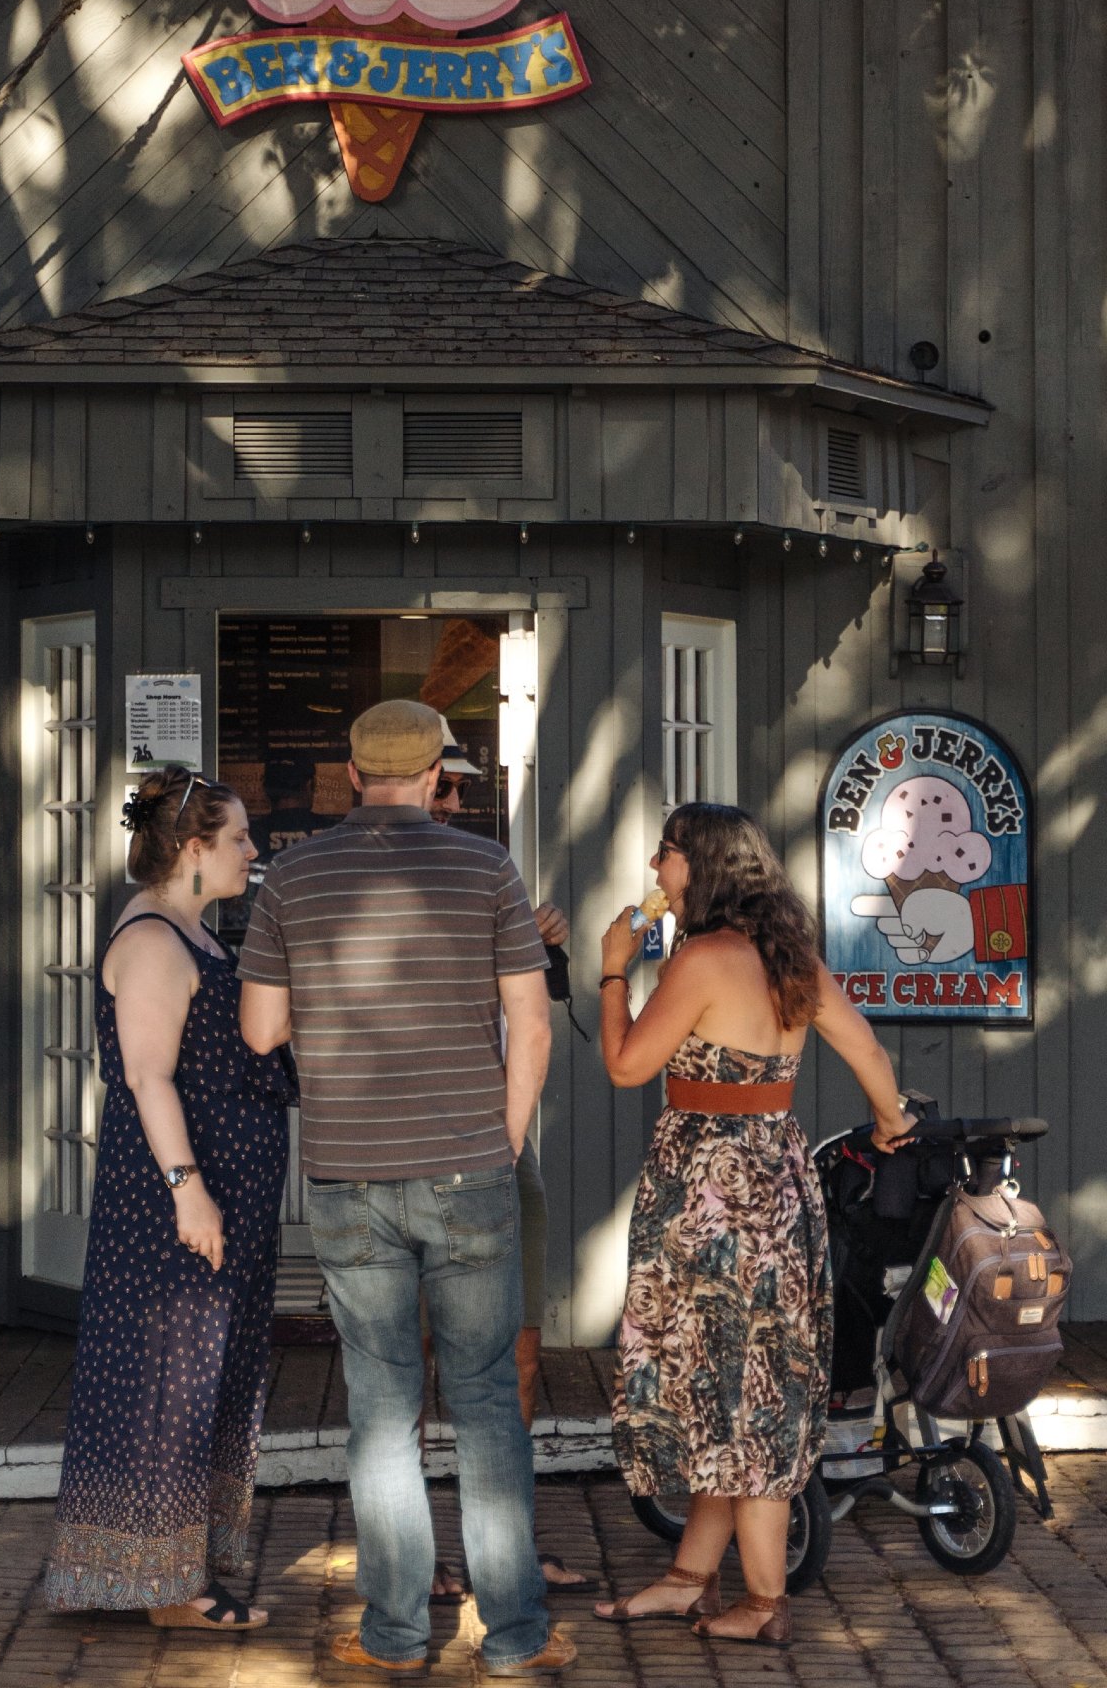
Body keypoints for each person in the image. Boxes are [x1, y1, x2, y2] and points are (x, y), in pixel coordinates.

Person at [239, 701, 576, 1678]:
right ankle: (512, 1636)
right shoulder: (487, 869)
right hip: (472, 1166)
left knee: (382, 1409)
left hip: (348, 1173)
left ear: (351, 772)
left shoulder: (293, 874)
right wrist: (500, 1143)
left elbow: (261, 1031)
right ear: (437, 777)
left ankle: (394, 1633)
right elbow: (535, 1026)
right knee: (483, 1404)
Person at [592, 802, 916, 1650]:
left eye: (666, 855)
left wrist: (613, 970)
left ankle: (767, 1602)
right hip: (777, 1183)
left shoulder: (700, 959)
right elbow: (870, 1055)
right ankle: (688, 1578)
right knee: (735, 1381)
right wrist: (889, 1127)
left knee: (739, 1392)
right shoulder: (789, 958)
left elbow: (627, 1066)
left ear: (699, 867)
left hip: (708, 1197)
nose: (657, 870)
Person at [43, 767, 292, 1630]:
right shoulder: (153, 940)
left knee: (203, 1379)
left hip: (225, 1186)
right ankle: (166, 1590)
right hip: (173, 1200)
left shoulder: (197, 931)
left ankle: (176, 1569)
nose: (251, 852)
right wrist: (190, 1193)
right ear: (192, 849)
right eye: (237, 840)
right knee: (165, 1383)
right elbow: (149, 1077)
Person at [427, 716, 587, 1600]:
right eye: (443, 786)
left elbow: (530, 1009)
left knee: (520, 1353)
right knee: (413, 1362)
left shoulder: (489, 872)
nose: (455, 801)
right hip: (416, 1148)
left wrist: (534, 946)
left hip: (506, 1146)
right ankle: (423, 1557)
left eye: (461, 787)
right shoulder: (376, 871)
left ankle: (509, 1549)